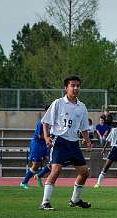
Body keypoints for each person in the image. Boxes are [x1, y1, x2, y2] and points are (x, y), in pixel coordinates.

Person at [39, 75, 92, 210]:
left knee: (84, 172)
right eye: (72, 85)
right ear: (66, 88)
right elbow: (45, 122)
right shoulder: (58, 103)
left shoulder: (82, 107)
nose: (75, 88)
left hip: (74, 143)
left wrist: (88, 141)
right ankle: (45, 202)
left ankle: (75, 200)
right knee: (56, 170)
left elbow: (84, 127)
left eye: (78, 86)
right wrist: (46, 137)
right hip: (60, 141)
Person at [20, 104, 50, 189]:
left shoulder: (52, 121)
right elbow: (40, 136)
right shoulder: (42, 122)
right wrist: (49, 136)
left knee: (51, 162)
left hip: (45, 144)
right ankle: (24, 182)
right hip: (37, 144)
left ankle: (39, 176)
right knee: (36, 164)